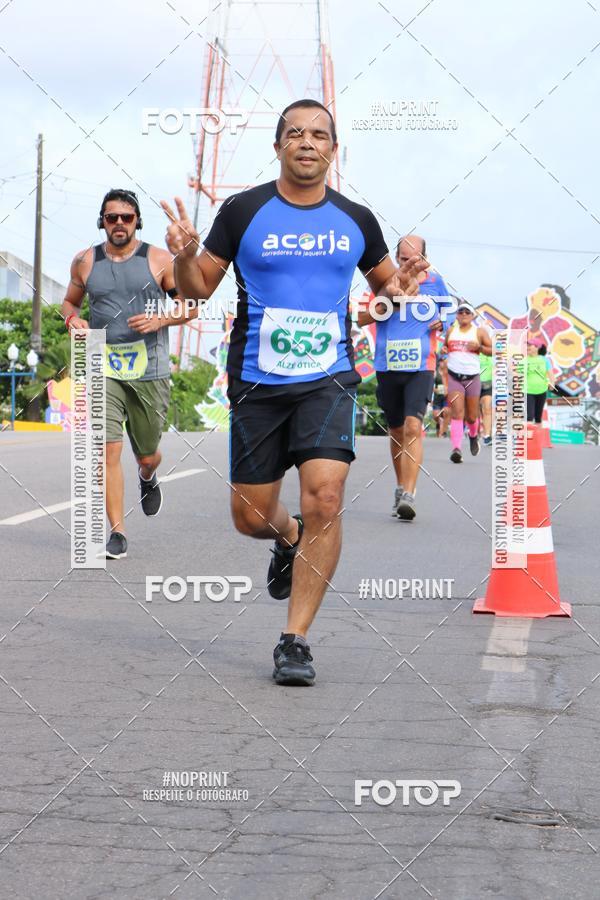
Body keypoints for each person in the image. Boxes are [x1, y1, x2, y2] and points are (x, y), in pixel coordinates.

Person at [161, 99, 427, 686]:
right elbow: (198, 290)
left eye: (320, 135)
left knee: (325, 500)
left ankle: (295, 639)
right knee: (250, 515)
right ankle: (286, 536)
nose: (307, 142)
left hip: (328, 379)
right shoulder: (243, 209)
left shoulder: (357, 219)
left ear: (334, 149)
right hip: (257, 380)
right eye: (295, 133)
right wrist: (183, 256)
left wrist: (401, 289)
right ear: (278, 145)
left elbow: (386, 291)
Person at [61, 188, 193, 559]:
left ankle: (148, 476)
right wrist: (73, 319)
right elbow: (69, 302)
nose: (119, 223)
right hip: (102, 365)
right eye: (111, 217)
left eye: (126, 217)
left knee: (146, 454)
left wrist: (161, 318)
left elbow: (191, 306)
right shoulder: (85, 261)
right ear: (102, 221)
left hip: (149, 369)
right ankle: (117, 530)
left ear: (137, 221)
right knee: (107, 450)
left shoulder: (160, 260)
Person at [357, 235, 450, 520]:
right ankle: (400, 486)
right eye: (402, 258)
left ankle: (410, 494)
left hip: (422, 365)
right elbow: (361, 318)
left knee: (413, 427)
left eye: (413, 258)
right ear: (396, 257)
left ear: (424, 258)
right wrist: (389, 300)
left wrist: (442, 321)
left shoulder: (436, 283)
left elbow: (450, 312)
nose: (408, 263)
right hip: (388, 365)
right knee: (396, 431)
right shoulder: (383, 281)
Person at [444, 301, 492, 463]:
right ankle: (456, 449)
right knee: (457, 412)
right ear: (457, 315)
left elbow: (493, 351)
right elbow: (445, 347)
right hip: (454, 376)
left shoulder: (479, 332)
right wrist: (444, 350)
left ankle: (473, 436)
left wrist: (479, 348)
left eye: (467, 312)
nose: (463, 314)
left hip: (472, 378)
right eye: (460, 312)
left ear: (472, 316)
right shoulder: (451, 331)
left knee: (471, 417)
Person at [527, 340, 555, 423]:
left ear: (537, 348)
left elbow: (551, 374)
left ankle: (538, 435)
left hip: (542, 390)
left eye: (530, 346)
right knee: (529, 416)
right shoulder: (523, 360)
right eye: (527, 346)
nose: (527, 347)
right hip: (527, 391)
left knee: (538, 417)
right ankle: (528, 435)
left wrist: (552, 383)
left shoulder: (545, 360)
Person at [479, 328, 493, 445]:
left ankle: (487, 435)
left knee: (487, 409)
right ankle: (474, 431)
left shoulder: (493, 354)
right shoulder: (474, 351)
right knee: (473, 413)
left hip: (488, 384)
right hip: (472, 384)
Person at [431, 356, 449, 438]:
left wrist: (448, 390)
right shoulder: (435, 373)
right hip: (437, 397)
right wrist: (435, 390)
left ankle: (443, 432)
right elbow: (429, 385)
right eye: (441, 361)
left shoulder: (449, 373)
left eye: (444, 361)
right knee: (436, 416)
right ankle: (439, 424)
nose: (443, 363)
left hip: (447, 397)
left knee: (446, 413)